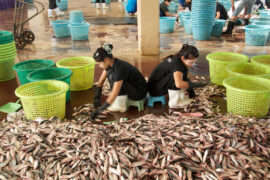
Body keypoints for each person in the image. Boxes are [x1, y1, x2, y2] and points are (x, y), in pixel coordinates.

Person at [91, 44, 147, 119]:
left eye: (100, 63)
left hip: (139, 92)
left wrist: (102, 108)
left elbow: (115, 91)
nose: (99, 65)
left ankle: (120, 105)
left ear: (106, 60)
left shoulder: (119, 68)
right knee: (110, 75)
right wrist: (96, 96)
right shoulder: (111, 64)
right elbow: (101, 81)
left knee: (113, 78)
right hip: (133, 87)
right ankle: (120, 101)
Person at [147, 44, 207, 109]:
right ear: (183, 58)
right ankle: (174, 102)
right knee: (177, 80)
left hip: (157, 84)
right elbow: (178, 84)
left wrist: (191, 92)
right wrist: (196, 84)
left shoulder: (179, 59)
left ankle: (181, 98)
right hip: (154, 89)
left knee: (181, 75)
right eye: (191, 62)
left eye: (194, 62)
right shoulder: (177, 65)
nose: (193, 65)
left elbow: (184, 78)